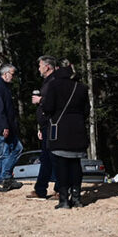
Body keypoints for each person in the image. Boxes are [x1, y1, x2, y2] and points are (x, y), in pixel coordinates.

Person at [41, 62, 89, 209]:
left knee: (61, 165)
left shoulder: (54, 86)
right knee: (76, 165)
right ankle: (76, 198)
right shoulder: (81, 87)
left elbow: (48, 107)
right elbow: (86, 111)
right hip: (78, 130)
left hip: (60, 130)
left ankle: (63, 200)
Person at [26, 55, 60, 200]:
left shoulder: (54, 82)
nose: (39, 68)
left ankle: (60, 189)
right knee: (45, 157)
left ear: (47, 67)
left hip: (53, 125)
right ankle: (40, 189)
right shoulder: (46, 82)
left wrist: (41, 100)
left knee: (54, 157)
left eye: (40, 65)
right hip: (46, 125)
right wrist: (41, 127)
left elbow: (57, 102)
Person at [0, 63, 23, 192]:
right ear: (5, 73)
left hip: (9, 127)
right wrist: (4, 127)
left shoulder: (5, 87)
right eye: (12, 74)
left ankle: (6, 176)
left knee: (18, 148)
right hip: (1, 127)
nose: (13, 77)